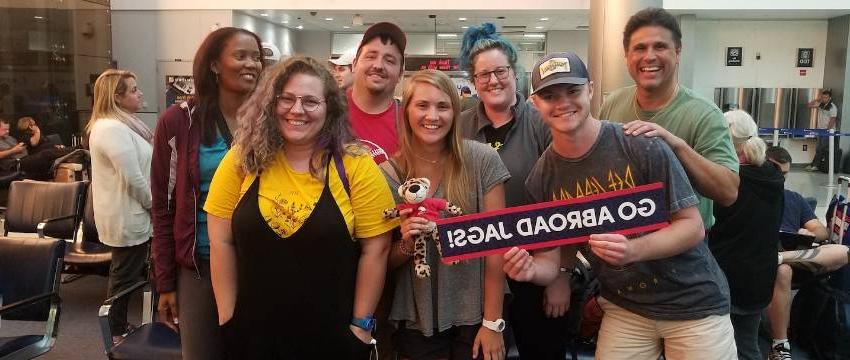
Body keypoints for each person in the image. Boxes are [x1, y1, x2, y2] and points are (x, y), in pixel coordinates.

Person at [508, 51, 736, 360]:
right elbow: (550, 261)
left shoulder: (640, 145)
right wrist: (531, 270)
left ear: (590, 90)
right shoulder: (541, 179)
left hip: (693, 301)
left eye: (572, 91)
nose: (562, 103)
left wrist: (632, 251)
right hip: (625, 307)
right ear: (535, 104)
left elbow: (692, 226)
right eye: (549, 96)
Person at [204, 56, 396, 358]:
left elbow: (377, 250)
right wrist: (227, 316)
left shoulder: (356, 165)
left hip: (332, 338)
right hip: (251, 335)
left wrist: (360, 325)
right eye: (287, 99)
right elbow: (220, 240)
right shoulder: (243, 158)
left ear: (329, 108)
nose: (297, 110)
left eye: (310, 101)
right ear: (270, 104)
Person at [151, 27, 263, 360]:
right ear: (214, 64)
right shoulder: (180, 122)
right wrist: (165, 281)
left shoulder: (272, 121)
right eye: (240, 55)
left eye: (256, 57)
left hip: (260, 262)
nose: (251, 65)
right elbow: (163, 206)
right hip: (200, 263)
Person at [381, 69, 508, 360]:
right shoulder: (390, 173)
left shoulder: (482, 159)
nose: (432, 116)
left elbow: (496, 245)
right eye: (422, 105)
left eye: (442, 106)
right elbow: (382, 260)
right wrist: (407, 244)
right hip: (417, 319)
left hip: (477, 314)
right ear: (407, 111)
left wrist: (493, 322)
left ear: (455, 111)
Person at [458, 22, 555, 359]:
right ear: (473, 81)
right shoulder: (460, 125)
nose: (493, 80)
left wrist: (560, 273)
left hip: (534, 266)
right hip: (477, 272)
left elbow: (563, 199)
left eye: (500, 71)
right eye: (483, 75)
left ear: (516, 73)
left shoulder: (543, 123)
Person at [599, 7, 739, 231]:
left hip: (683, 250)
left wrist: (676, 146)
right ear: (627, 56)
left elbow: (728, 192)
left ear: (678, 52)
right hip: (624, 244)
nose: (650, 56)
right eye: (640, 48)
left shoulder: (703, 114)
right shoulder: (613, 103)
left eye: (660, 46)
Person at [707, 110, 784, 360]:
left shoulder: (727, 181)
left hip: (725, 277)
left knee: (716, 347)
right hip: (761, 278)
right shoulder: (773, 176)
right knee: (748, 345)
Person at [764, 145, 849, 360]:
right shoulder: (752, 196)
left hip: (795, 256)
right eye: (778, 173)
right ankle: (780, 345)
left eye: (785, 174)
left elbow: (821, 231)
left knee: (843, 252)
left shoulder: (793, 198)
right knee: (782, 271)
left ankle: (780, 257)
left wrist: (810, 233)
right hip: (765, 260)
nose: (781, 179)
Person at [87, 69, 153, 343]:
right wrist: (154, 205)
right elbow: (133, 178)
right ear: (117, 96)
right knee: (124, 276)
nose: (140, 94)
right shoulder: (111, 128)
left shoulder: (123, 124)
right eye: (134, 89)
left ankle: (117, 325)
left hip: (129, 211)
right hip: (128, 214)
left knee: (124, 272)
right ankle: (116, 328)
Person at [348, 22, 406, 164]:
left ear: (400, 74)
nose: (378, 65)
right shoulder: (325, 111)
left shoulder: (409, 122)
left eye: (390, 60)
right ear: (354, 64)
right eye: (371, 56)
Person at [806, 89, 839, 171]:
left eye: (826, 97)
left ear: (830, 98)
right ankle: (814, 164)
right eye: (823, 97)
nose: (824, 99)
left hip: (828, 131)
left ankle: (815, 165)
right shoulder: (821, 104)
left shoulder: (832, 107)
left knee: (821, 148)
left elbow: (832, 120)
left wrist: (827, 131)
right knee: (818, 148)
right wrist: (817, 99)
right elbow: (809, 105)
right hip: (820, 130)